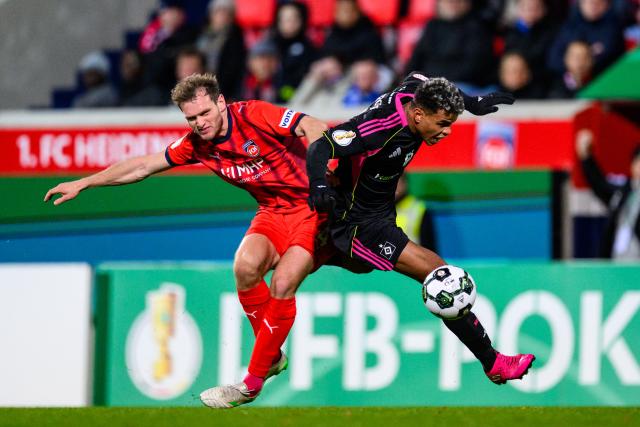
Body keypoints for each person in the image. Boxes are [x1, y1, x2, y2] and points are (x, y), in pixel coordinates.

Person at [44, 73, 329, 408]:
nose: (200, 123)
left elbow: (314, 125)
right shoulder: (197, 144)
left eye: (205, 113)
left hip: (313, 206)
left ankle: (251, 384)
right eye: (191, 118)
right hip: (272, 210)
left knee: (283, 281)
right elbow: (142, 166)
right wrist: (85, 183)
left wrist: (323, 173)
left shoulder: (254, 114)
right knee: (245, 266)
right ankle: (273, 357)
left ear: (221, 102)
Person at [306, 73, 536, 385]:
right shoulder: (379, 127)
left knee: (361, 267)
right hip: (358, 221)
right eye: (442, 124)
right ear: (418, 115)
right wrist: (319, 182)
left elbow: (422, 76)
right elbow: (321, 146)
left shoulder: (417, 93)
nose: (447, 132)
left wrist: (471, 102)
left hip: (380, 210)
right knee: (441, 277)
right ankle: (493, 361)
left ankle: (316, 248)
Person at [576, 131, 640, 259]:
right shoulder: (624, 191)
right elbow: (601, 185)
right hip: (617, 262)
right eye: (638, 162)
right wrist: (587, 158)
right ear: (632, 166)